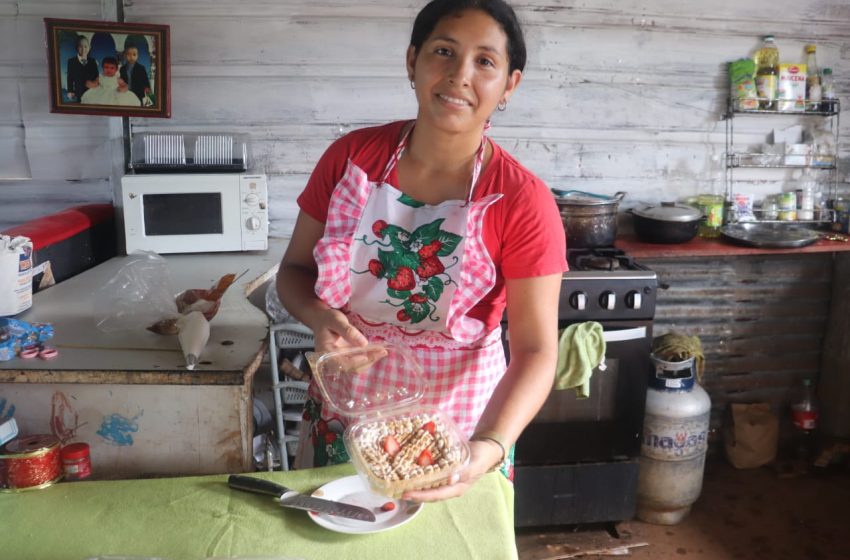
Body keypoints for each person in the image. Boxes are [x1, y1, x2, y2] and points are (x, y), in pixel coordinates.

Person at [276, 0, 566, 502]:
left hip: (458, 437)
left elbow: (537, 350)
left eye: (485, 61)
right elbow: (294, 271)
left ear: (509, 85)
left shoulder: (521, 199)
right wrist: (319, 317)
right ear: (412, 61)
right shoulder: (352, 159)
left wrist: (488, 447)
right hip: (345, 412)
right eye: (443, 52)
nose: (459, 76)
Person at [66, 35, 99, 101]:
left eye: (85, 46)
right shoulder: (71, 61)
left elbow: (97, 77)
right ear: (76, 48)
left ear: (89, 48)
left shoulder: (93, 61)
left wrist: (95, 84)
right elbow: (70, 78)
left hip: (91, 92)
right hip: (78, 93)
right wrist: (70, 91)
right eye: (80, 46)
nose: (83, 49)